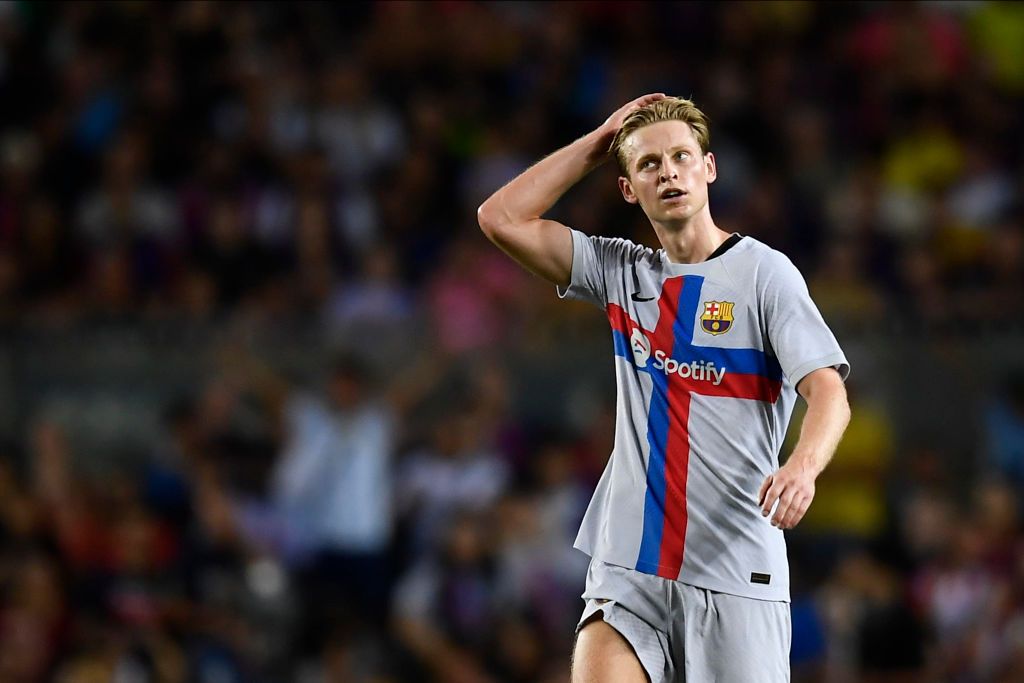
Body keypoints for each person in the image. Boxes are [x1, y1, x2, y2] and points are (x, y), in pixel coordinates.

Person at [477, 94, 852, 682]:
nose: (668, 171)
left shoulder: (763, 273)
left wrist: (803, 466)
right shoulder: (622, 272)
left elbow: (828, 389)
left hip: (734, 568)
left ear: (709, 168)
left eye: (681, 156)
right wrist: (599, 144)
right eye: (648, 164)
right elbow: (501, 218)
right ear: (629, 188)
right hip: (630, 565)